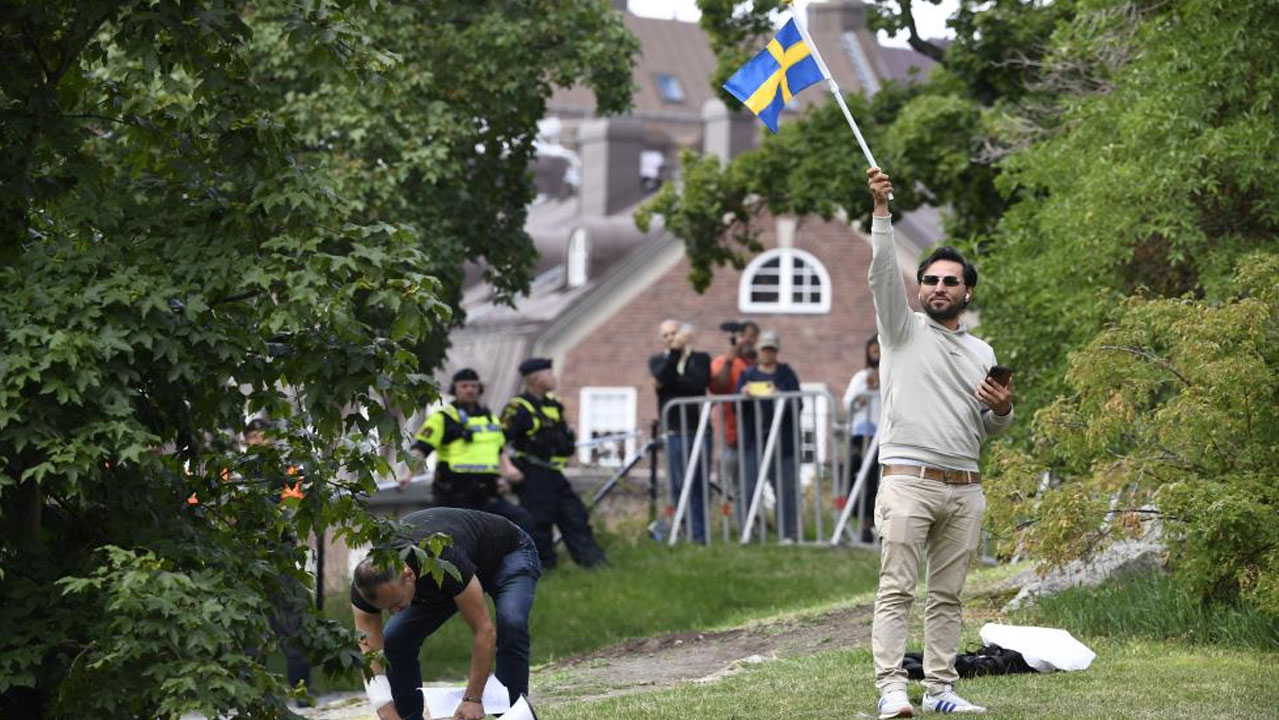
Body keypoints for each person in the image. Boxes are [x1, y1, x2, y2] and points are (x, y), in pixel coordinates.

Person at [865, 167, 1015, 718]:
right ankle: (891, 690)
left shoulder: (981, 350)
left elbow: (991, 427)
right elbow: (883, 273)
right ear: (920, 288)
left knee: (947, 596)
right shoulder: (900, 330)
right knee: (897, 590)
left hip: (965, 487)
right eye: (930, 280)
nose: (939, 288)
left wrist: (1003, 410)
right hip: (908, 481)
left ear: (966, 291)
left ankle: (940, 691)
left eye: (951, 281)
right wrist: (881, 212)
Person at [350, 508, 540, 720]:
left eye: (395, 602)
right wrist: (385, 710)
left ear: (409, 574)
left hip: (508, 553)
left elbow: (483, 630)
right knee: (395, 638)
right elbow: (369, 652)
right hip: (449, 576)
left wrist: (472, 700)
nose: (393, 611)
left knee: (511, 622)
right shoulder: (367, 583)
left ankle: (513, 713)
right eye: (386, 608)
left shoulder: (441, 558)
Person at [502, 358, 607, 569]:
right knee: (539, 522)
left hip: (554, 473)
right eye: (549, 374)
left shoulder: (554, 405)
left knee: (574, 514)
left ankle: (593, 563)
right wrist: (506, 469)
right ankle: (544, 568)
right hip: (532, 473)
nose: (554, 377)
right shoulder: (517, 407)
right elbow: (498, 440)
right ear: (535, 378)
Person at [400, 369, 533, 534]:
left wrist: (509, 473)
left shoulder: (489, 418)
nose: (470, 390)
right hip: (455, 492)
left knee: (522, 520)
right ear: (454, 389)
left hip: (487, 492)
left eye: (474, 386)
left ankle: (520, 560)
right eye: (464, 386)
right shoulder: (443, 418)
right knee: (459, 537)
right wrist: (407, 476)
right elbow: (421, 449)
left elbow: (500, 450)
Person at [240, 418, 312, 702]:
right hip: (245, 555)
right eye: (255, 436)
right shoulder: (233, 470)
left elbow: (292, 509)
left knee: (290, 627)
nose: (260, 441)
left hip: (279, 556)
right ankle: (250, 695)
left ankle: (301, 690)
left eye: (265, 436)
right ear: (246, 439)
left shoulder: (287, 471)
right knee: (248, 627)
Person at [649, 320, 713, 543]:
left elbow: (696, 384)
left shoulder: (701, 359)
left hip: (698, 430)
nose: (670, 338)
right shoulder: (657, 361)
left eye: (674, 334)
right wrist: (674, 354)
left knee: (698, 483)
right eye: (666, 335)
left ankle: (700, 534)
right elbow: (663, 378)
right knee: (677, 484)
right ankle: (681, 528)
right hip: (674, 431)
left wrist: (671, 383)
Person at [735, 331, 802, 542]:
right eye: (764, 349)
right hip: (753, 441)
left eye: (771, 349)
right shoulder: (747, 375)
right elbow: (735, 406)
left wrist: (780, 395)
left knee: (784, 488)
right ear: (757, 350)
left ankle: (788, 534)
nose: (767, 353)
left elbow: (798, 404)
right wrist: (744, 395)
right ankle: (749, 532)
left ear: (777, 351)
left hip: (783, 443)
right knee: (747, 488)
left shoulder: (787, 373)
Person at [709, 320, 759, 520]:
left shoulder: (760, 363)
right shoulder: (724, 362)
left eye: (752, 336)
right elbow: (718, 387)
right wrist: (729, 361)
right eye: (743, 335)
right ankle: (743, 528)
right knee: (737, 487)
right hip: (734, 436)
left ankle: (761, 526)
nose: (747, 340)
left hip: (759, 434)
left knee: (757, 485)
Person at [842, 335, 883, 543]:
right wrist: (865, 393)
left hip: (882, 435)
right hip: (861, 434)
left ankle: (872, 522)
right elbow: (848, 404)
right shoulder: (860, 377)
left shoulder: (892, 375)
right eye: (872, 350)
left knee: (874, 480)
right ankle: (857, 518)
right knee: (854, 477)